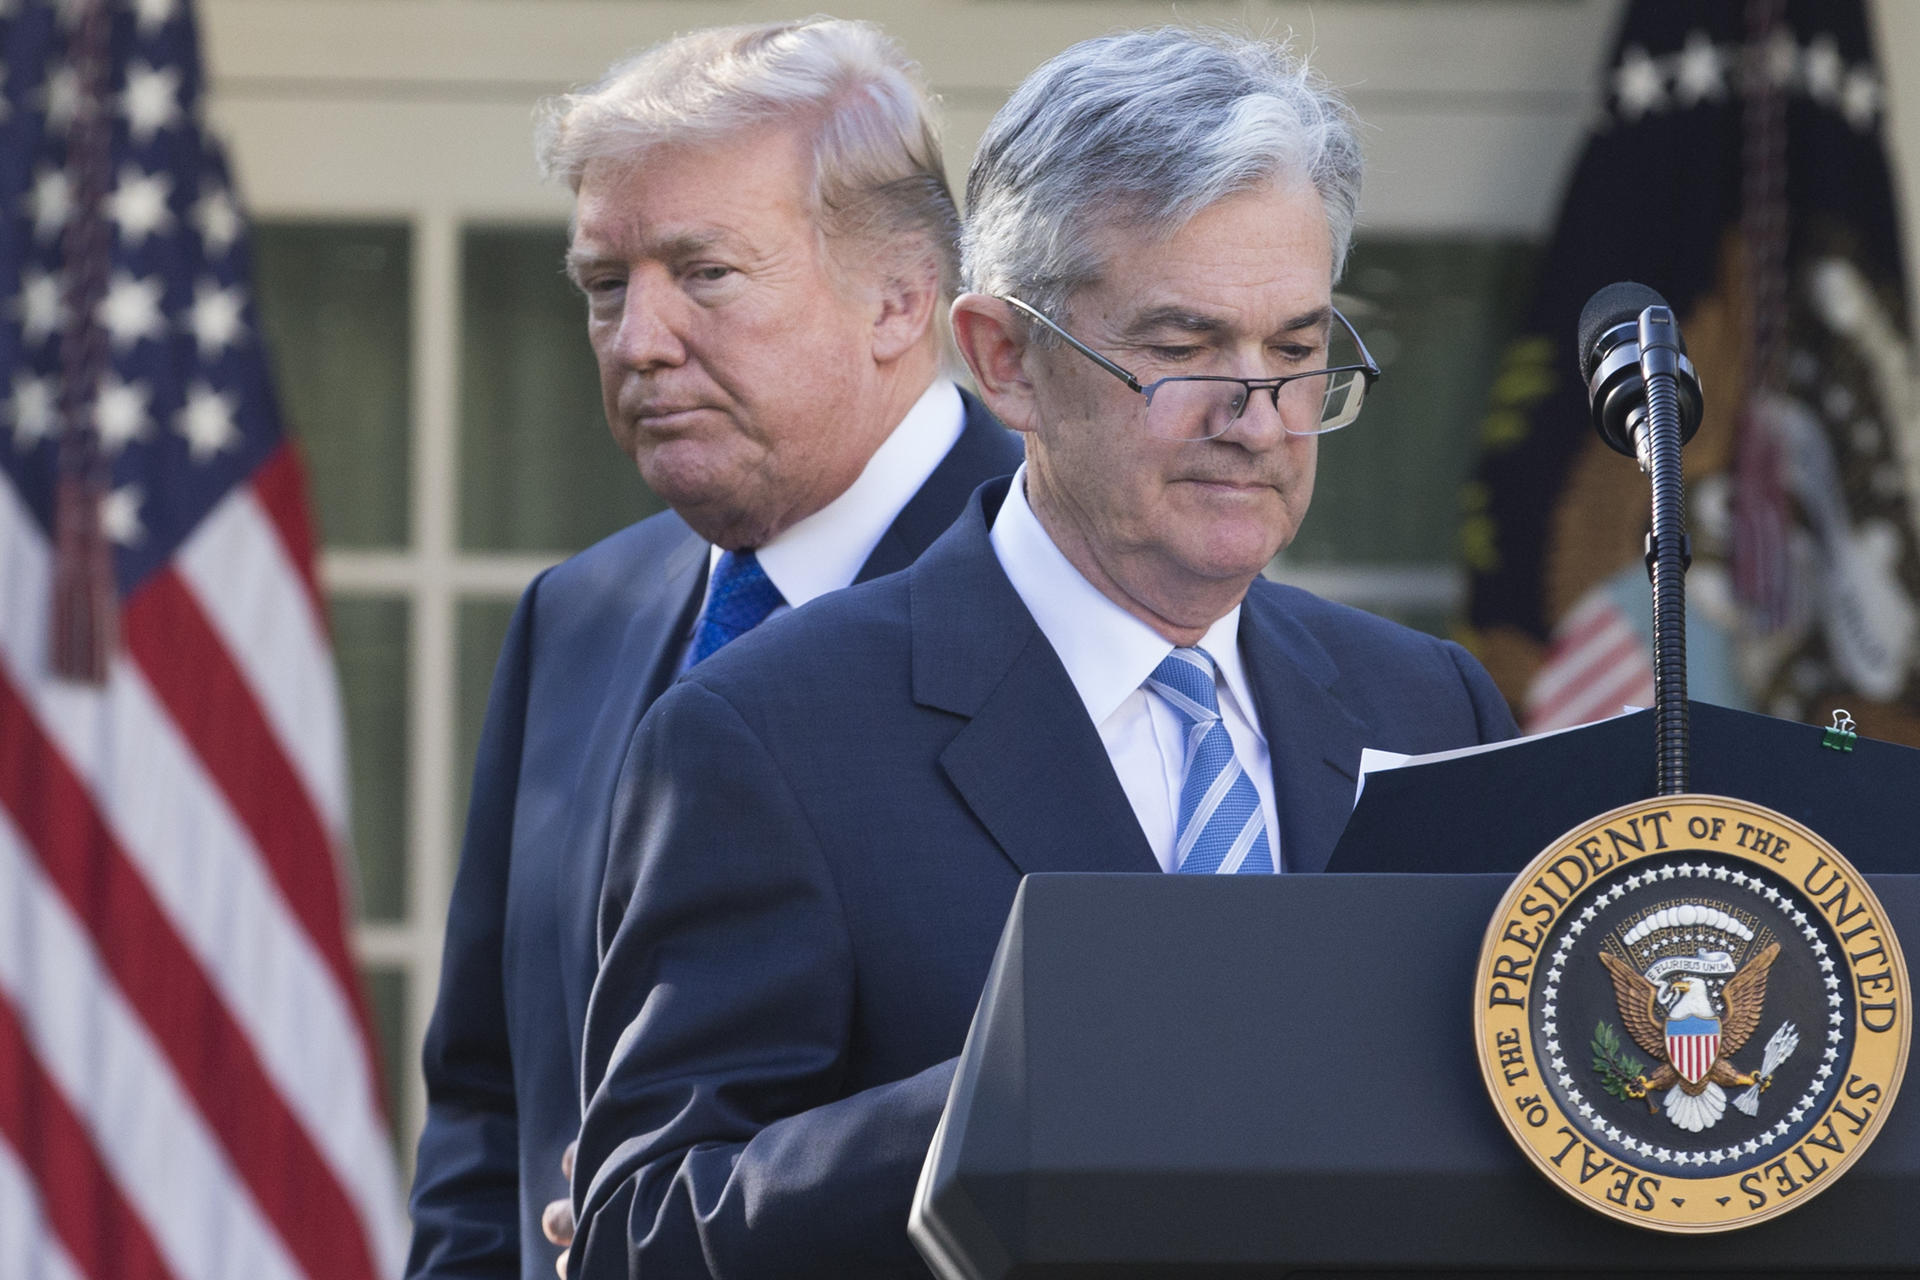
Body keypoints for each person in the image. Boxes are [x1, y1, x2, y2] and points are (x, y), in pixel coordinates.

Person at [567, 27, 1519, 1279]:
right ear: (1002, 359)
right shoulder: (764, 733)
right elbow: (643, 1234)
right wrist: (1021, 1091)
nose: (1260, 418)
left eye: (1296, 352)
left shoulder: (1431, 702)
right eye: (1181, 348)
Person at [403, 19, 1021, 1280]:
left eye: (705, 272)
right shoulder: (579, 614)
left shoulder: (1069, 603)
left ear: (901, 299)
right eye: (604, 284)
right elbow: (488, 1098)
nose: (638, 338)